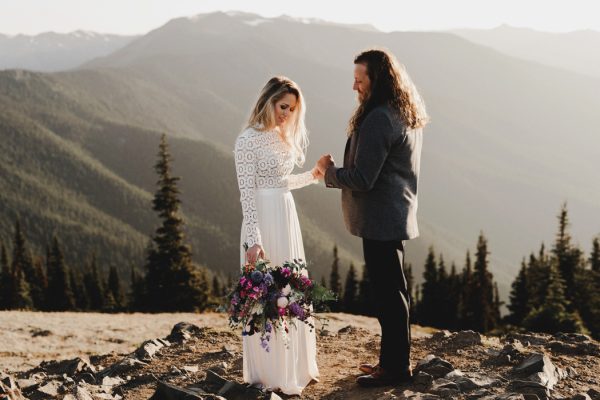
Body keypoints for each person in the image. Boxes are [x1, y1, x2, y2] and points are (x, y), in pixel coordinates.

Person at [317, 48, 428, 387]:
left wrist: (328, 172)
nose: (354, 87)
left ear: (377, 81)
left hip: (381, 219)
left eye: (359, 80)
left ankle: (394, 369)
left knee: (389, 295)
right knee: (394, 292)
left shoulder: (380, 117)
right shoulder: (402, 112)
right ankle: (393, 363)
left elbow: (364, 178)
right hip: (394, 215)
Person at [233, 76, 321, 395]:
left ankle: (295, 366)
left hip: (286, 216)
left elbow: (281, 183)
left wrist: (312, 176)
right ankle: (269, 372)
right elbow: (247, 194)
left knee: (290, 291)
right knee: (266, 297)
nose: (286, 113)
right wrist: (254, 239)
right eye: (283, 106)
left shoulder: (281, 136)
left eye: (292, 109)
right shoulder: (247, 141)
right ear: (268, 101)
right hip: (261, 223)